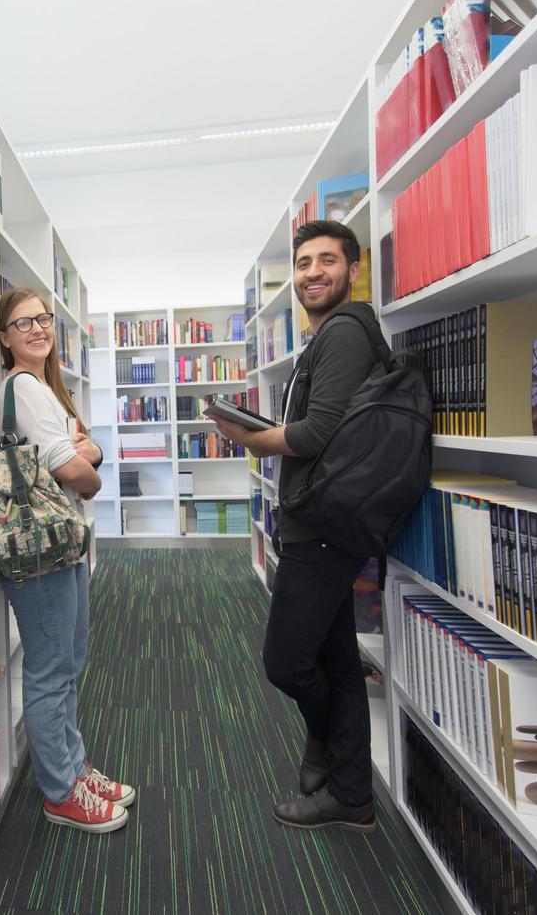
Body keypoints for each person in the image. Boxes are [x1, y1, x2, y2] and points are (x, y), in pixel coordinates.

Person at [209, 219, 379, 831]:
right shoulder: (331, 336)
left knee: (286, 662)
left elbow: (318, 433)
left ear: (353, 269)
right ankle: (351, 793)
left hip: (324, 526)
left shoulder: (343, 334)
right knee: (335, 660)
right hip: (324, 519)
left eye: (327, 260)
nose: (312, 272)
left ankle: (329, 752)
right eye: (304, 262)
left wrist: (252, 438)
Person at [0, 286, 135, 833]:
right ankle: (59, 792)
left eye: (43, 319)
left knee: (69, 662)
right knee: (52, 667)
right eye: (22, 323)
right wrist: (90, 471)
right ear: (5, 338)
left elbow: (84, 448)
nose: (37, 329)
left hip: (61, 540)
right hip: (39, 550)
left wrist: (86, 452)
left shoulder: (45, 388)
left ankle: (74, 770)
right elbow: (72, 468)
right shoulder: (24, 387)